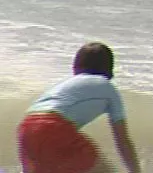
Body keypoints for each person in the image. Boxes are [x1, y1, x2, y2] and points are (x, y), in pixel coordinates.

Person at [17, 42, 142, 173]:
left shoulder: (65, 85)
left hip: (26, 127)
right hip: (55, 126)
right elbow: (122, 141)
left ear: (76, 65)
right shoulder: (108, 87)